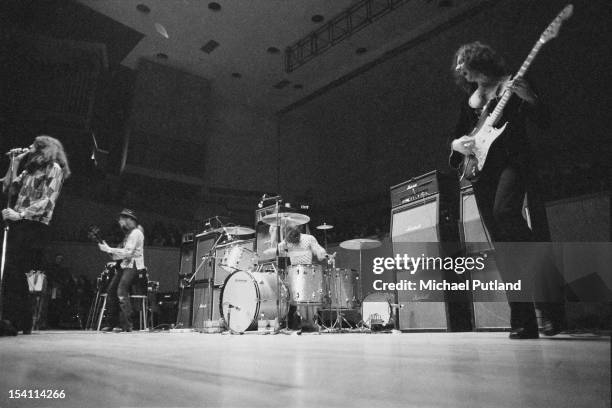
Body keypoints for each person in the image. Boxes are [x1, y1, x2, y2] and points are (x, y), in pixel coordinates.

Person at [448, 41, 565, 339]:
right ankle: (524, 322)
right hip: (482, 172)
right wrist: (457, 145)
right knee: (503, 245)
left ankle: (549, 300)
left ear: (479, 60)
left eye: (464, 61)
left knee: (506, 214)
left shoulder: (513, 84)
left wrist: (531, 98)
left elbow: (546, 121)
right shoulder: (470, 101)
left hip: (513, 162)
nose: (460, 68)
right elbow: (457, 138)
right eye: (459, 65)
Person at [1, 135, 70, 335]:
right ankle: (17, 320)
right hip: (19, 222)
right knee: (10, 270)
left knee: (16, 270)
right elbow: (9, 186)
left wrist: (21, 213)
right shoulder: (29, 169)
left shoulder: (54, 169)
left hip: (35, 225)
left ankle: (19, 320)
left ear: (43, 149)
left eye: (33, 145)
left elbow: (48, 201)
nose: (28, 147)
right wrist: (14, 162)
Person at [97, 209, 145, 332]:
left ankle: (126, 325)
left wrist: (109, 249)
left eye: (121, 220)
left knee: (121, 291)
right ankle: (113, 323)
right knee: (112, 291)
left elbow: (128, 253)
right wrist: (110, 251)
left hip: (133, 265)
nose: (120, 222)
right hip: (125, 266)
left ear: (129, 219)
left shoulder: (136, 233)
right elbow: (121, 255)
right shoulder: (129, 235)